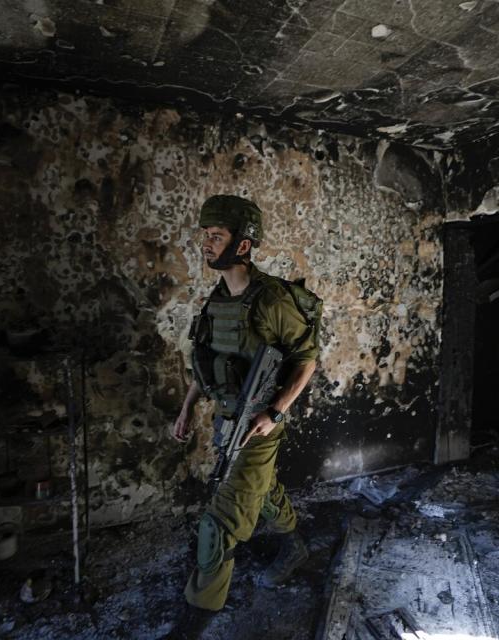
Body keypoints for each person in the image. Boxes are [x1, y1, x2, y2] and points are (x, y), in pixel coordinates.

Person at [167, 194, 319, 637]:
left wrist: (274, 413)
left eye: (216, 237)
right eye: (205, 237)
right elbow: (206, 361)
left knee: (219, 521)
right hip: (226, 418)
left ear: (244, 245)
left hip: (259, 425)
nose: (207, 245)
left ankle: (196, 617)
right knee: (264, 489)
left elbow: (306, 359)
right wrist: (187, 408)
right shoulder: (217, 300)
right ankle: (293, 547)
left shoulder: (272, 300)